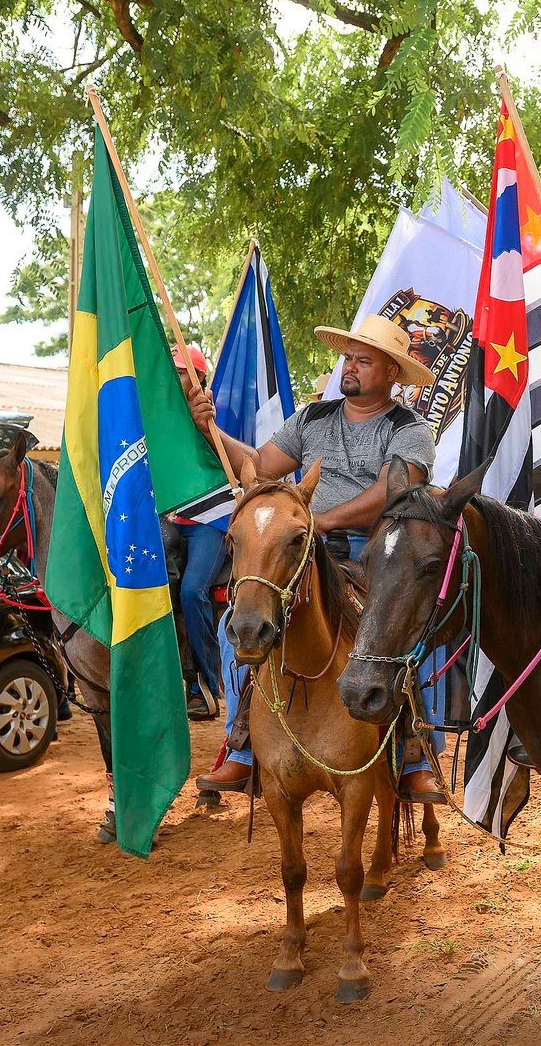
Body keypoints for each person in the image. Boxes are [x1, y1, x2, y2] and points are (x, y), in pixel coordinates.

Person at [186, 314, 448, 804]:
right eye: (348, 358)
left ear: (392, 373)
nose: (350, 367)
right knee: (236, 623)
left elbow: (392, 490)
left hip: (377, 555)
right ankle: (241, 744)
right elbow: (261, 466)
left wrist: (323, 520)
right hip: (304, 551)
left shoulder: (411, 430)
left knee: (413, 632)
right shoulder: (311, 419)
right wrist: (210, 429)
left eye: (363, 360)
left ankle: (415, 756)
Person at [167, 343, 226, 722]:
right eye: (171, 371)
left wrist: (205, 426)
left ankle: (204, 683)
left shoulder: (208, 408)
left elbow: (229, 456)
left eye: (181, 371)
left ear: (198, 376)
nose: (174, 378)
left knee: (192, 591)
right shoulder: (160, 415)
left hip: (212, 519)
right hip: (173, 520)